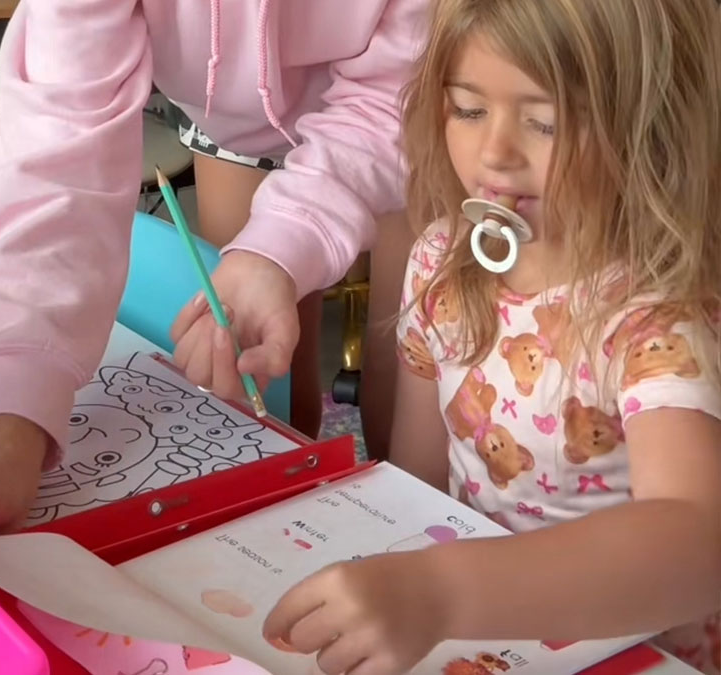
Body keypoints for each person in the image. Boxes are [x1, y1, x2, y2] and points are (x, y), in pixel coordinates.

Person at [262, 1, 721, 673]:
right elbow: (414, 490)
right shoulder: (441, 264)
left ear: (650, 129)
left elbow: (700, 544)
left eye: (545, 121)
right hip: (476, 643)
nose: (496, 152)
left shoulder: (657, 319)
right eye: (469, 110)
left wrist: (442, 591)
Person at [0, 0, 429, 543]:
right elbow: (56, 163)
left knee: (409, 363)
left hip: (414, 106)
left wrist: (285, 243)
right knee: (255, 373)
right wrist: (12, 435)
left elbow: (393, 100)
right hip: (231, 110)